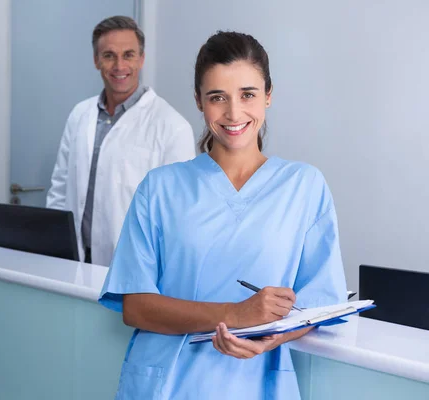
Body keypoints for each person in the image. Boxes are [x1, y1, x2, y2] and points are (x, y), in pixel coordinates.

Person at [99, 31, 347, 399]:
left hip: (256, 380)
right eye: (218, 97)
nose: (234, 113)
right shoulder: (159, 188)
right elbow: (135, 307)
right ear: (199, 101)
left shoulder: (304, 186)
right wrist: (236, 313)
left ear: (268, 96)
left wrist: (271, 336)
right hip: (167, 382)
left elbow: (321, 302)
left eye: (247, 94)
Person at [46, 16, 195, 266]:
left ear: (141, 59)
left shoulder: (173, 127)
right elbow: (60, 190)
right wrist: (55, 246)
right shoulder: (79, 115)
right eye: (108, 55)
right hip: (73, 259)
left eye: (128, 54)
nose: (119, 65)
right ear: (96, 60)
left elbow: (178, 214)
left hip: (135, 264)